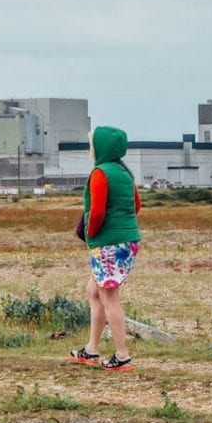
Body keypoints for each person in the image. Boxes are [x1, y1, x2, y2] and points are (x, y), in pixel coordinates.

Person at [70, 125, 141, 371]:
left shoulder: (100, 173)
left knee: (109, 297)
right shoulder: (125, 172)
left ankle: (122, 355)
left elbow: (97, 212)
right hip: (127, 241)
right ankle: (91, 350)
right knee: (94, 291)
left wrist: (91, 233)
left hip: (108, 244)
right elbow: (136, 206)